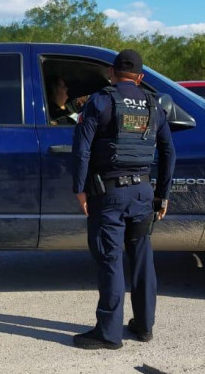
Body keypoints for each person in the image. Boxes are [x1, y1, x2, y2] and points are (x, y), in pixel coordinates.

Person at [70, 49, 176, 350]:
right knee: (142, 257)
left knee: (110, 260)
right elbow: (169, 151)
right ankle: (144, 326)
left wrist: (80, 188)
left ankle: (108, 333)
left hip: (109, 195)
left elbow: (82, 149)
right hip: (142, 194)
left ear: (111, 73)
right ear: (141, 77)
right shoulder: (153, 104)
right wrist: (163, 194)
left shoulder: (100, 101)